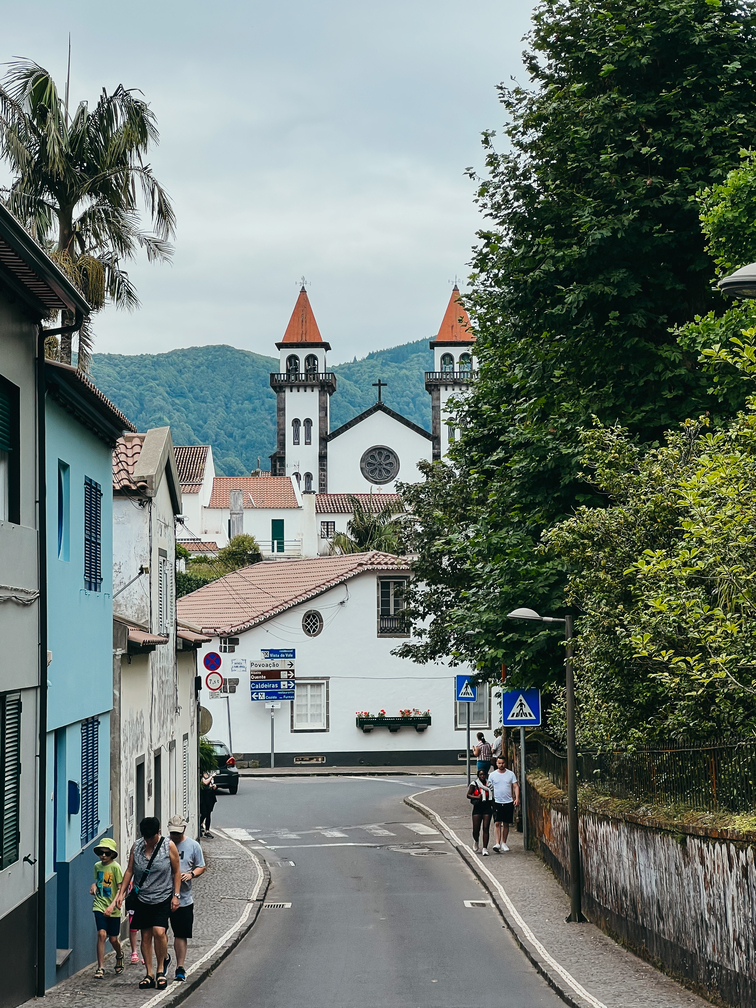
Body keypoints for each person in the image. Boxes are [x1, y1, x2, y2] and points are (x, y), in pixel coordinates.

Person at [113, 816, 182, 990]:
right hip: (142, 898)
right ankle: (149, 974)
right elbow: (130, 870)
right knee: (145, 936)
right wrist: (121, 893)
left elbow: (176, 872)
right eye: (146, 838)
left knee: (159, 932)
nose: (149, 841)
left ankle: (161, 970)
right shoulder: (137, 846)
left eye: (151, 838)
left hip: (162, 897)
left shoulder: (168, 846)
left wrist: (176, 895)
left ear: (159, 832)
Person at [166, 814, 206, 982]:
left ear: (184, 829)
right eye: (172, 833)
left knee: (180, 934)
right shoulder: (164, 844)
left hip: (184, 897)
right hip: (163, 895)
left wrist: (191, 874)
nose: (175, 836)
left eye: (177, 833)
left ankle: (180, 967)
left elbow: (201, 866)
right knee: (159, 932)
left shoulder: (193, 846)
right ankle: (163, 959)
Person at [90, 837, 124, 978]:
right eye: (101, 853)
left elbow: (121, 889)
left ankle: (119, 954)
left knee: (113, 939)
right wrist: (93, 886)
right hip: (99, 904)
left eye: (107, 853)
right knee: (102, 934)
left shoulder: (116, 867)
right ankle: (100, 967)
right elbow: (98, 881)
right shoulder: (97, 866)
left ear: (112, 854)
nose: (103, 856)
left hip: (113, 908)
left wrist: (112, 906)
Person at [488, 756, 520, 852]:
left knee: (506, 823)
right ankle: (497, 843)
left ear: (505, 763)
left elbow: (515, 786)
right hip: (497, 802)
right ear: (496, 764)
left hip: (508, 801)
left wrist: (517, 798)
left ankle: (504, 843)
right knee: (497, 823)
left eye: (502, 763)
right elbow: (489, 788)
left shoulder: (510, 774)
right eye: (499, 763)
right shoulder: (492, 775)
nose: (501, 765)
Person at [466, 768, 494, 856]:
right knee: (476, 829)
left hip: (487, 807)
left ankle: (485, 848)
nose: (482, 776)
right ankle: (476, 840)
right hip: (477, 807)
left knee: (486, 828)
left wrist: (494, 808)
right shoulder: (474, 784)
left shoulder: (489, 785)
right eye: (481, 774)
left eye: (484, 774)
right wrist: (476, 797)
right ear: (478, 775)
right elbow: (468, 795)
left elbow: (493, 797)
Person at [200, 771, 217, 838]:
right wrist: (212, 776)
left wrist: (214, 786)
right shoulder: (201, 775)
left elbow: (211, 783)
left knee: (208, 814)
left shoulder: (209, 774)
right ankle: (199, 825)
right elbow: (205, 782)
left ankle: (207, 831)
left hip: (210, 796)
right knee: (204, 813)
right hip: (203, 797)